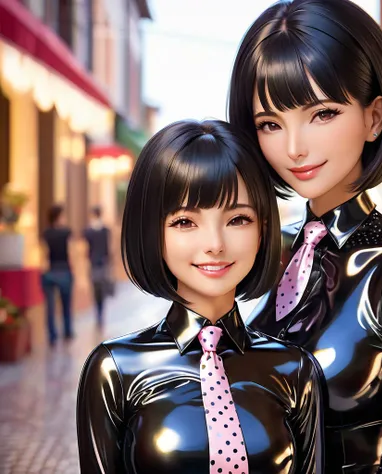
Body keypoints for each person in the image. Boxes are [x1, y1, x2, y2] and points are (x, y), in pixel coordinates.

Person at [228, 1, 382, 473]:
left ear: (374, 117)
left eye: (322, 114)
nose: (294, 147)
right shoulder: (263, 247)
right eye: (270, 124)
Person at [76, 120, 324, 474]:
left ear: (263, 229)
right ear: (152, 231)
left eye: (238, 219)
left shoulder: (294, 369)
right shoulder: (115, 369)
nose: (215, 244)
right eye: (184, 222)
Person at [41, 204, 74, 346]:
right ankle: (67, 332)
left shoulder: (46, 233)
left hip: (50, 271)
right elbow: (71, 253)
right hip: (64, 270)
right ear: (59, 216)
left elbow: (43, 254)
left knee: (50, 306)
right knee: (66, 304)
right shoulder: (67, 232)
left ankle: (52, 335)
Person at [83, 206, 112, 328]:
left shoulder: (88, 231)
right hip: (103, 263)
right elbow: (109, 248)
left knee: (96, 290)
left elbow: (85, 250)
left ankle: (99, 314)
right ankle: (100, 314)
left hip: (94, 264)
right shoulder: (105, 230)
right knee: (101, 290)